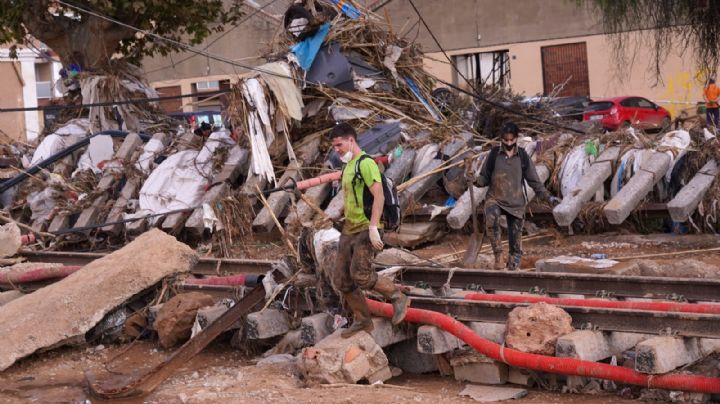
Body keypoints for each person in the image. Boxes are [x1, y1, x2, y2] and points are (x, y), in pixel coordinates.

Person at [329, 123, 409, 338]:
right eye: (334, 146)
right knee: (341, 280)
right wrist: (339, 218)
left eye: (339, 144)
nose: (337, 149)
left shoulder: (366, 164)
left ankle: (397, 296)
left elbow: (379, 196)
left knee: (361, 275)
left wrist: (374, 227)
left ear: (351, 140)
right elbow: (351, 197)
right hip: (350, 228)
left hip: (367, 227)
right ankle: (363, 320)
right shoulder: (347, 167)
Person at [472, 122, 560, 271]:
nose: (508, 143)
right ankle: (498, 256)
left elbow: (535, 182)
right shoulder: (494, 154)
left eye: (511, 140)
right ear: (501, 139)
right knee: (491, 217)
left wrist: (548, 197)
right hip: (495, 198)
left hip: (516, 202)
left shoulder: (523, 157)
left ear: (516, 139)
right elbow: (484, 179)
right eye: (505, 140)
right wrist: (473, 179)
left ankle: (513, 265)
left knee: (515, 241)